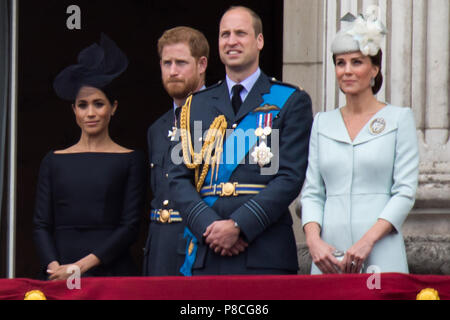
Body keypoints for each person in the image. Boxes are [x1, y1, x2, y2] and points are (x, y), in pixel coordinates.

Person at [169, 6, 313, 275]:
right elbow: (177, 179)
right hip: (207, 251)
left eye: (240, 33)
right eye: (225, 34)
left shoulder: (290, 101)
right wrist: (209, 226)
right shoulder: (194, 106)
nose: (231, 41)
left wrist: (239, 225)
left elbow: (290, 177)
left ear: (259, 41)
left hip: (265, 251)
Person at [300, 9, 419, 274]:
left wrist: (368, 240)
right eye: (340, 63)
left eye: (357, 62)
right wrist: (314, 240)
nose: (347, 71)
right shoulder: (322, 122)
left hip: (380, 249)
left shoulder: (399, 119)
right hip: (327, 255)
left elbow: (405, 191)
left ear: (374, 68)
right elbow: (312, 192)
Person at [33, 34, 146, 280]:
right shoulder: (53, 160)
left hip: (111, 271)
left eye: (98, 103)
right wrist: (55, 268)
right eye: (83, 105)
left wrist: (79, 268)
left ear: (113, 107)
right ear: (74, 110)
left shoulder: (131, 159)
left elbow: (130, 227)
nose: (91, 112)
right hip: (59, 272)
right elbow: (41, 224)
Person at [143, 26, 209, 276]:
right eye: (166, 63)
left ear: (201, 64)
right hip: (160, 248)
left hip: (198, 246)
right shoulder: (156, 128)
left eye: (181, 62)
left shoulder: (220, 117)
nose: (172, 71)